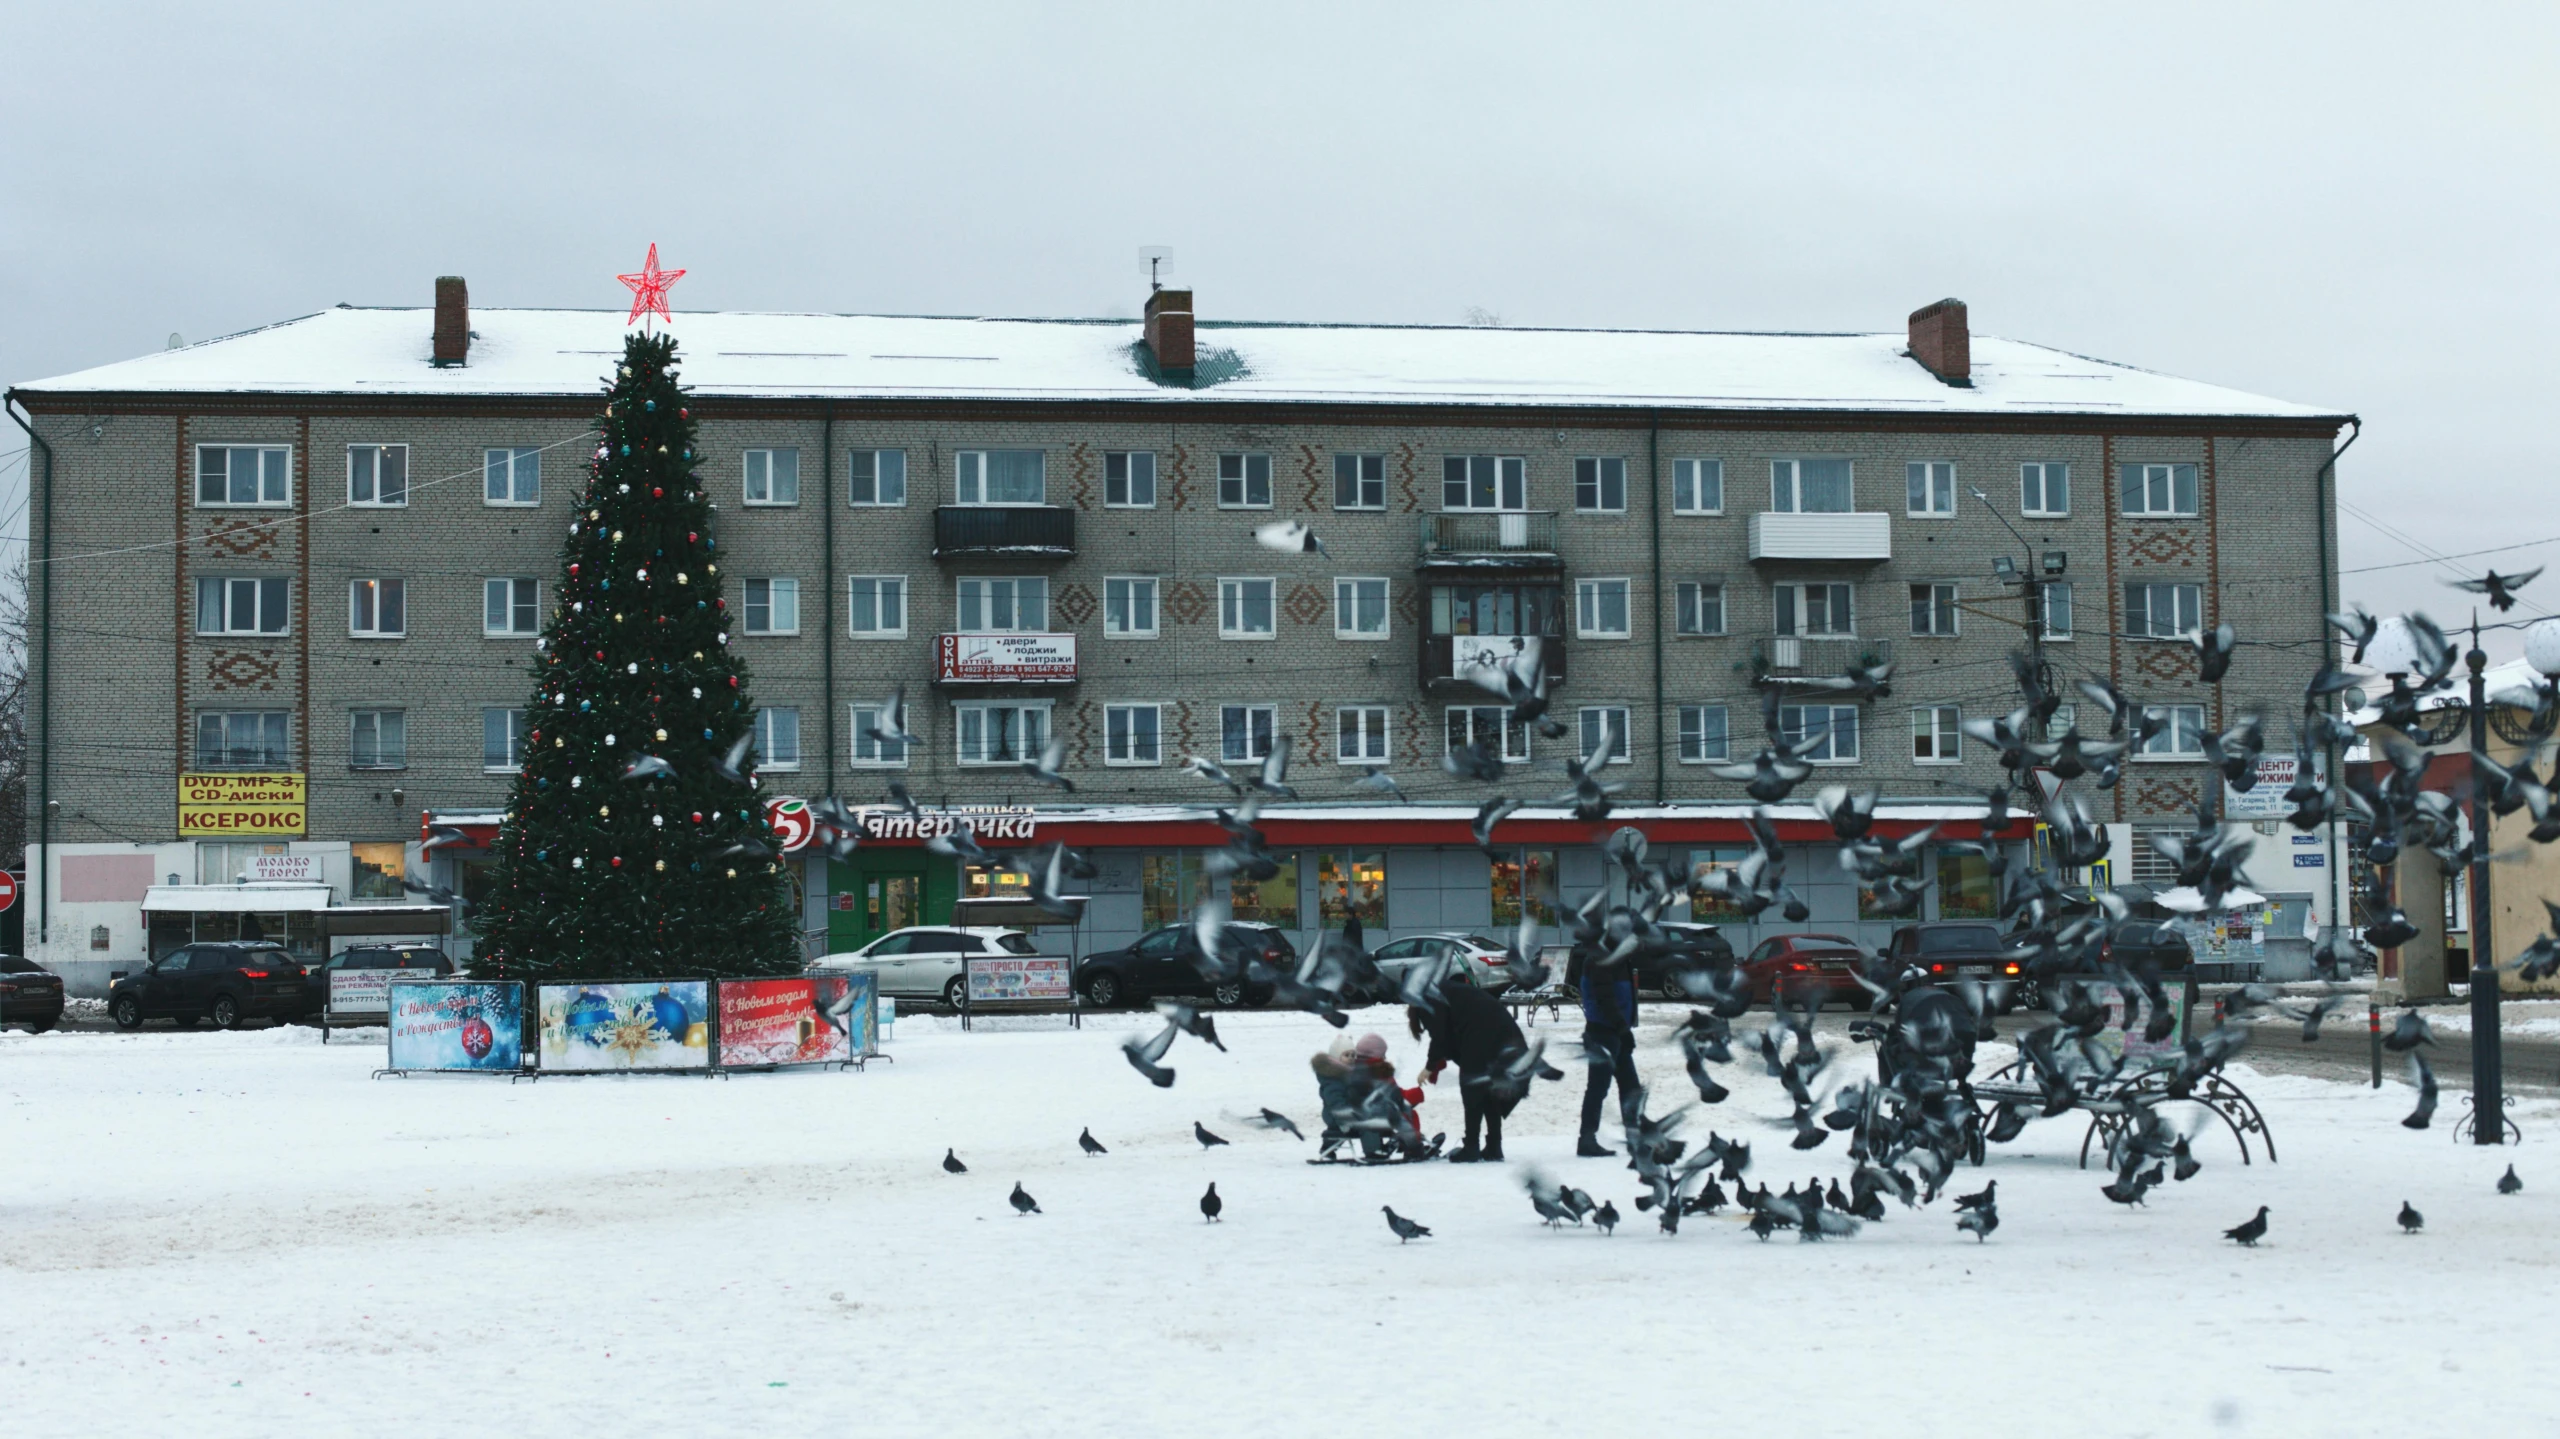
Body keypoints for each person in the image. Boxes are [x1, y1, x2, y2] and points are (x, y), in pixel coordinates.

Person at [1411, 974, 1529, 1162]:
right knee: (1490, 1090)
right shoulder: (1445, 989)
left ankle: (1472, 1147)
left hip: (1485, 1038)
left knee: (1473, 1089)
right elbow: (1450, 1034)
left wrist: (1430, 1066)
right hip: (1506, 1038)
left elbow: (1440, 1036)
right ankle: (1494, 1146)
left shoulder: (1428, 997)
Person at [1567, 938, 1641, 1157]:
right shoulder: (1600, 960)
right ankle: (1587, 1140)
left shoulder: (1619, 958)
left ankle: (1634, 1138)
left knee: (1630, 1086)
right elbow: (1604, 999)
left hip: (1616, 1031)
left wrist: (1624, 1029)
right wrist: (1622, 1029)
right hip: (1603, 1032)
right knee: (1598, 1087)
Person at [1312, 1031, 1424, 1159]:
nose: (1351, 1058)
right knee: (1368, 1124)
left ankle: (1329, 1149)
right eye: (1346, 1055)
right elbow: (1335, 1100)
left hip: (1352, 1110)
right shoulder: (1333, 1078)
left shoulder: (1353, 1073)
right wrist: (1344, 1116)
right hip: (1336, 1114)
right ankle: (1373, 1151)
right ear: (1336, 1057)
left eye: (1353, 1055)